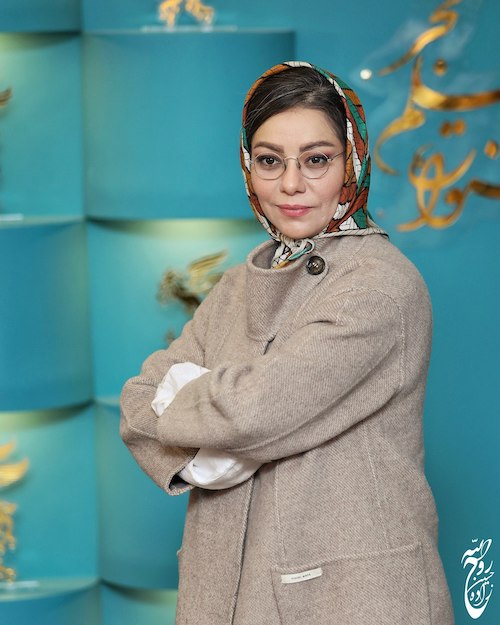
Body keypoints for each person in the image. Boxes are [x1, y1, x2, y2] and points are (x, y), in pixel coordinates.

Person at [120, 61, 454, 625]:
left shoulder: (381, 285)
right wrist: (216, 429)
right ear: (248, 166)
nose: (291, 185)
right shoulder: (238, 284)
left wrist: (195, 408)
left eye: (316, 159)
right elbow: (136, 403)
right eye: (270, 161)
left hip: (352, 600)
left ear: (351, 162)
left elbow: (255, 411)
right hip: (230, 590)